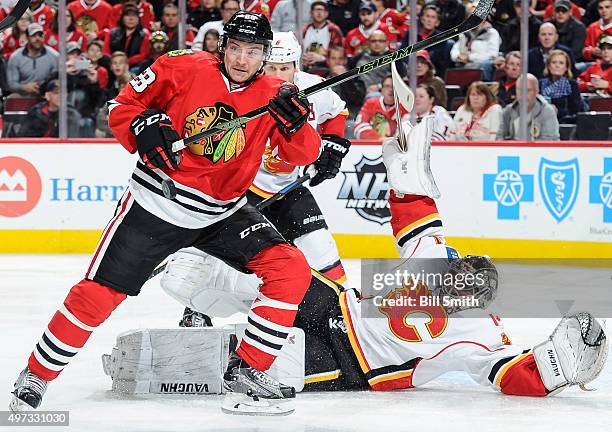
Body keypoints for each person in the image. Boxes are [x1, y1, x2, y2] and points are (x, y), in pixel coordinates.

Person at [153, 104, 608, 399]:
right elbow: (511, 374)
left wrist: (405, 167)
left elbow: (415, 212)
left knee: (258, 364)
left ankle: (180, 356)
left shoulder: (466, 313)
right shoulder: (475, 323)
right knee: (258, 276)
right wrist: (553, 370)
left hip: (347, 363)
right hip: (334, 306)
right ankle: (191, 274)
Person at [9, 11, 321, 417]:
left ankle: (246, 372)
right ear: (222, 47)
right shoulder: (180, 66)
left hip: (223, 212)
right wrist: (142, 125)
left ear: (265, 55)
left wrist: (297, 124)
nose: (242, 59)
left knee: (290, 269)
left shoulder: (277, 94)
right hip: (158, 203)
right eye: (236, 49)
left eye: (253, 51)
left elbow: (306, 155)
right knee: (99, 295)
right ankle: (35, 375)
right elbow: (122, 106)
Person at [168, 30, 351, 329]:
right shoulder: (245, 93)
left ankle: (344, 317)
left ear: (296, 66)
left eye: (286, 68)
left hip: (289, 189)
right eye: (272, 68)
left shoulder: (312, 89)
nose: (279, 74)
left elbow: (338, 110)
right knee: (220, 256)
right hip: (243, 189)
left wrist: (332, 142)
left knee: (321, 248)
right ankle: (196, 308)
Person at [497, 73, 560, 140]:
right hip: (512, 149)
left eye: (528, 90)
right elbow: (499, 138)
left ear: (536, 91)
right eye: (520, 90)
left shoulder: (547, 111)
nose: (523, 94)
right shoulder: (508, 111)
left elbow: (549, 141)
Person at [15, 79, 82, 137]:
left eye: (63, 93)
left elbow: (73, 140)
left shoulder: (72, 114)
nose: (60, 96)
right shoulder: (36, 112)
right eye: (56, 93)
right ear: (47, 96)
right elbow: (23, 135)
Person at [6, 23, 58, 96]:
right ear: (27, 37)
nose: (37, 39)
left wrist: (44, 87)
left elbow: (57, 80)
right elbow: (11, 84)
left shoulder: (54, 56)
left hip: (47, 95)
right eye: (33, 35)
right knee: (13, 97)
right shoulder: (15, 57)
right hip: (23, 94)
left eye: (40, 35)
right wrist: (24, 87)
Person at [354, 74, 407, 139]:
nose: (391, 90)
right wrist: (379, 138)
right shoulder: (371, 103)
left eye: (394, 87)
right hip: (373, 146)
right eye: (387, 86)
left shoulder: (405, 107)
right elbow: (359, 127)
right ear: (381, 89)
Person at [539, 49, 583, 123]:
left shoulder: (572, 85)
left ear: (566, 68)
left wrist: (558, 111)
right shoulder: (540, 84)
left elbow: (577, 111)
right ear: (548, 66)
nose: (557, 65)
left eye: (561, 63)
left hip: (565, 124)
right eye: (554, 62)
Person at [301, 1, 344, 71]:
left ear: (326, 14)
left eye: (321, 10)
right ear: (311, 13)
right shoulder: (305, 30)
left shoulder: (333, 30)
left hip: (327, 68)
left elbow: (340, 55)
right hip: (305, 67)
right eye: (316, 10)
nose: (319, 13)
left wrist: (322, 58)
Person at [103, 2, 150, 67]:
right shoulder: (112, 33)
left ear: (138, 19)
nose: (131, 19)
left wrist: (125, 62)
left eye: (134, 15)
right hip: (112, 65)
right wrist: (115, 62)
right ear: (122, 18)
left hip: (133, 67)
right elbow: (105, 52)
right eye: (128, 15)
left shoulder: (144, 35)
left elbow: (143, 55)